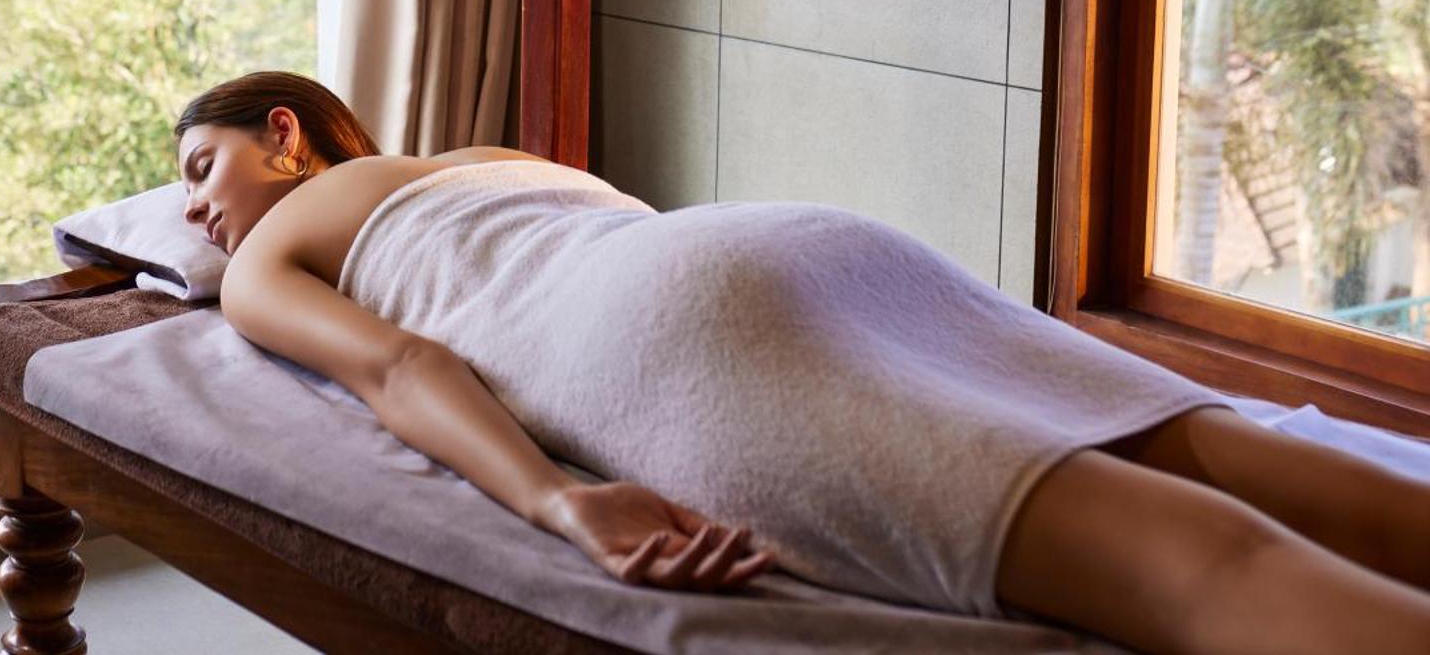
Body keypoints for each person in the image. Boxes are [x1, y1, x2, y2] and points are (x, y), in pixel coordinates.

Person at [175, 71, 1430, 654]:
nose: (192, 217)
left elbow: (395, 371)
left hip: (667, 329)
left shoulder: (271, 244)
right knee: (1236, 466)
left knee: (1200, 572)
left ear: (284, 135)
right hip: (801, 246)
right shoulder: (486, 159)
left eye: (198, 171)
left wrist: (562, 499)